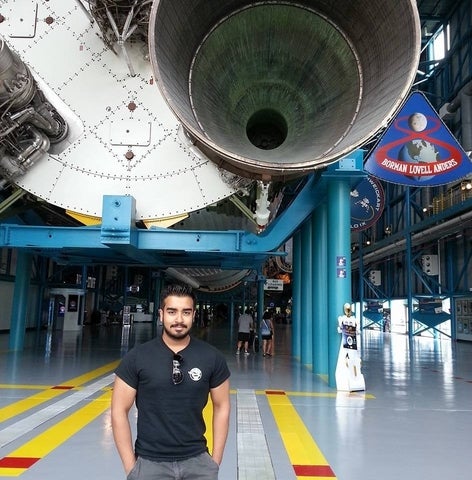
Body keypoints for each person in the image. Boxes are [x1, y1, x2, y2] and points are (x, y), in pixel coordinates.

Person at [111, 283, 231, 480]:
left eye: (186, 312)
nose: (179, 319)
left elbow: (222, 406)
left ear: (194, 315)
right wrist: (131, 468)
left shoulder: (212, 357)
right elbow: (118, 410)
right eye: (172, 312)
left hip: (198, 463)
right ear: (161, 314)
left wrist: (214, 463)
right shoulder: (137, 357)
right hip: (149, 464)